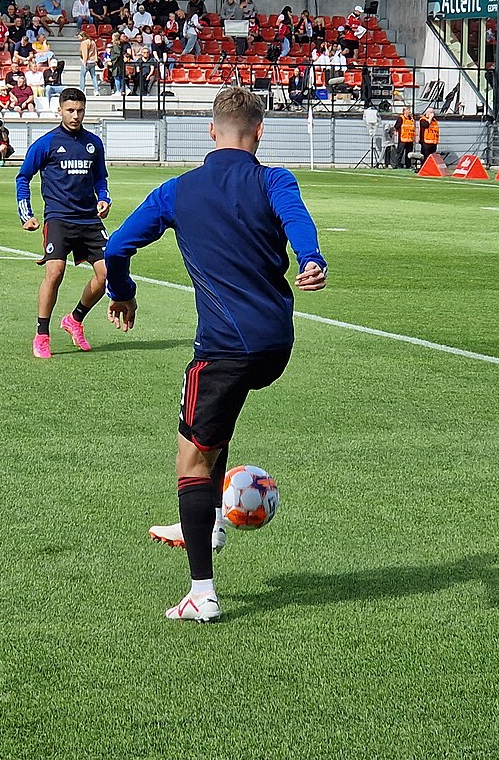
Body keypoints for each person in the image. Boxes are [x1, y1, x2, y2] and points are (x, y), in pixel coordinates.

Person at [104, 87, 327, 623]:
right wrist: (311, 258)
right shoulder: (276, 179)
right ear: (260, 133)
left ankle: (201, 592)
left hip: (224, 349)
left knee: (191, 461)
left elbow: (116, 248)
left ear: (211, 131)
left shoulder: (178, 190)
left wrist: (122, 292)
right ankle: (207, 522)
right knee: (214, 431)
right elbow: (297, 220)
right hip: (276, 344)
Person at [15, 87, 111, 360]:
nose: (75, 115)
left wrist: (103, 198)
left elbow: (100, 179)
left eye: (80, 110)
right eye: (70, 110)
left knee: (107, 274)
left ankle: (74, 319)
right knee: (55, 272)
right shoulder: (46, 143)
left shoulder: (93, 143)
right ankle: (42, 334)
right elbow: (23, 178)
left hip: (89, 220)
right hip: (58, 218)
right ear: (60, 110)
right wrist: (26, 214)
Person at [78, 30, 99, 95]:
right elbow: (95, 51)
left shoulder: (84, 43)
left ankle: (82, 89)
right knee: (93, 76)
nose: (78, 38)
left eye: (79, 37)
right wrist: (96, 60)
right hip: (93, 61)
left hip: (87, 61)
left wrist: (84, 61)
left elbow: (85, 53)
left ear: (83, 36)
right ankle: (96, 90)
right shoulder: (92, 41)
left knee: (82, 75)